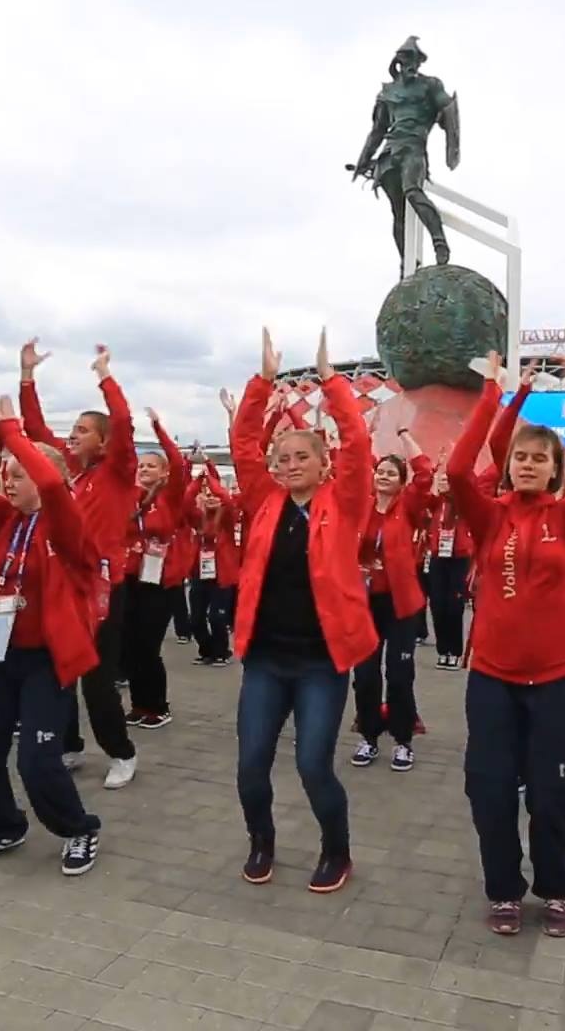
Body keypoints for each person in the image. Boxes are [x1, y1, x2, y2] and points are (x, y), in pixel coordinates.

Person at [447, 348, 565, 939]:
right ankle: (503, 889)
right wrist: (495, 391)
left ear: (554, 469)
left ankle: (556, 885)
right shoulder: (487, 516)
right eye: (520, 455)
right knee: (489, 788)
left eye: (541, 458)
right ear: (508, 462)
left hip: (556, 676)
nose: (530, 464)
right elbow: (460, 470)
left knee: (551, 790)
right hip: (492, 675)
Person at [229, 327, 373, 894]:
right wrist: (263, 381)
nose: (287, 464)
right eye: (281, 458)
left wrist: (331, 380)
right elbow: (243, 443)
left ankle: (336, 850)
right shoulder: (265, 501)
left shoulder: (346, 499)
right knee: (250, 766)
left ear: (323, 463)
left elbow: (359, 443)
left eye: (299, 457)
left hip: (321, 662)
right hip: (265, 659)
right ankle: (260, 840)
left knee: (313, 765)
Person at [0, 402, 105, 874]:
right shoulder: (5, 520)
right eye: (4, 474)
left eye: (17, 474)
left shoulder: (65, 523)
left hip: (45, 659)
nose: (6, 481)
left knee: (37, 762)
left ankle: (78, 828)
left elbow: (54, 485)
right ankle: (3, 825)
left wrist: (14, 433)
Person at [19, 339, 140, 788]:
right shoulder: (72, 470)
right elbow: (36, 435)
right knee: (60, 666)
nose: (73, 435)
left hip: (106, 587)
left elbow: (124, 423)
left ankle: (122, 752)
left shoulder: (117, 471)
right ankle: (69, 745)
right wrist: (27, 376)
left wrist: (105, 377)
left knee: (96, 678)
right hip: (65, 581)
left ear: (104, 441)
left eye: (83, 429)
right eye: (73, 428)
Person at [348, 448, 431, 772]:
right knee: (365, 675)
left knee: (399, 675)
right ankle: (368, 736)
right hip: (365, 603)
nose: (383, 476)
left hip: (400, 605)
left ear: (401, 483)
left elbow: (424, 475)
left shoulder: (407, 507)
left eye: (391, 473)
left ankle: (402, 740)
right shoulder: (362, 508)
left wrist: (403, 436)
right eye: (380, 471)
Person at [121, 412, 190, 729]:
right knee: (131, 644)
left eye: (151, 465)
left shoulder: (171, 497)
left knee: (149, 646)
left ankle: (157, 706)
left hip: (161, 583)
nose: (144, 469)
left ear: (163, 472)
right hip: (132, 579)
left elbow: (179, 465)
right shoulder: (130, 499)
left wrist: (159, 430)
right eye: (141, 465)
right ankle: (138, 704)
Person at [185, 461, 240, 667]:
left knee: (217, 617)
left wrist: (211, 478)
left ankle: (222, 652)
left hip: (222, 575)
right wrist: (199, 479)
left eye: (213, 496)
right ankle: (206, 650)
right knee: (196, 619)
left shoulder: (227, 518)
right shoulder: (197, 519)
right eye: (206, 495)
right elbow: (186, 500)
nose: (210, 498)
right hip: (199, 574)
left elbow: (226, 499)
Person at [425, 460, 474, 668]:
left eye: (447, 480)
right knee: (437, 605)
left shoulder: (464, 504)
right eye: (442, 479)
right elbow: (421, 492)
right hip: (438, 558)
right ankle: (442, 650)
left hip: (459, 559)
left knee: (454, 607)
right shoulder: (436, 504)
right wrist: (435, 471)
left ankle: (455, 650)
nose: (444, 482)